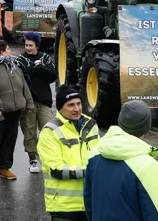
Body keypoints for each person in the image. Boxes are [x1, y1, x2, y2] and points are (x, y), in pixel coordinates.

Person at [84, 101, 158, 221]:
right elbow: (157, 213)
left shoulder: (95, 153)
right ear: (146, 127)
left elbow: (89, 201)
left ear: (120, 122)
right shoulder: (147, 165)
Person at [38, 85, 100, 221]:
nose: (77, 109)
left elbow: (100, 156)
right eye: (71, 105)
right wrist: (89, 171)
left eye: (78, 104)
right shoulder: (50, 132)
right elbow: (56, 169)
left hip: (91, 203)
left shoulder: (91, 126)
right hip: (64, 207)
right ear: (60, 108)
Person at [0, 40, 33, 180]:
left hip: (14, 111)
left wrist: (29, 104)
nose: (10, 51)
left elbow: (23, 86)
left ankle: (5, 168)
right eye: (8, 49)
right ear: (1, 52)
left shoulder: (13, 65)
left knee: (9, 141)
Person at [15, 32, 57, 173]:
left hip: (44, 100)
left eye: (31, 45)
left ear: (37, 46)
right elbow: (15, 79)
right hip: (28, 102)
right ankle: (32, 159)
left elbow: (52, 76)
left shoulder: (44, 58)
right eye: (26, 45)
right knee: (30, 131)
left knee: (48, 129)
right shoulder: (20, 60)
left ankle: (47, 156)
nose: (28, 48)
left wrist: (40, 68)